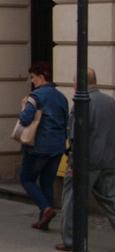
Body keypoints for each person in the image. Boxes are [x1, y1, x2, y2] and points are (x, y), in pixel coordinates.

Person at [57, 68, 115, 251]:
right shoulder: (110, 102)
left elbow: (77, 137)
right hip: (108, 159)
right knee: (110, 200)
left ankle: (70, 240)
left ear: (80, 82)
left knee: (71, 199)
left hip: (86, 162)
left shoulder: (82, 103)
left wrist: (73, 163)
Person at [18, 62, 68, 231]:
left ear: (41, 77)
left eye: (33, 77)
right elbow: (66, 121)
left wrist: (24, 106)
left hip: (38, 145)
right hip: (57, 146)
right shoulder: (61, 97)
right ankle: (43, 219)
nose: (32, 81)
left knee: (26, 178)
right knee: (47, 181)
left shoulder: (35, 96)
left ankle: (46, 209)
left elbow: (25, 119)